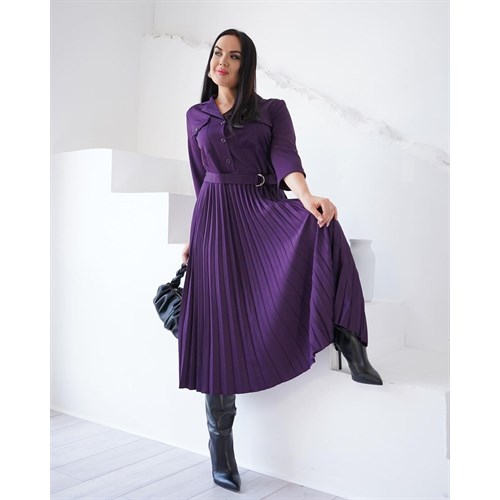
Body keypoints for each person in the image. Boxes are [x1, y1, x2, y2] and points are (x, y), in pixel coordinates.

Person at [177, 28, 383, 493]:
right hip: (215, 219)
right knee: (218, 328)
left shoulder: (271, 111)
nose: (222, 61)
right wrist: (193, 236)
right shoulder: (196, 116)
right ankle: (220, 446)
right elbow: (198, 178)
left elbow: (285, 156)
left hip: (259, 207)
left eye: (233, 56)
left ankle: (349, 338)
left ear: (246, 65)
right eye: (217, 53)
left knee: (322, 223)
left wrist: (306, 195)